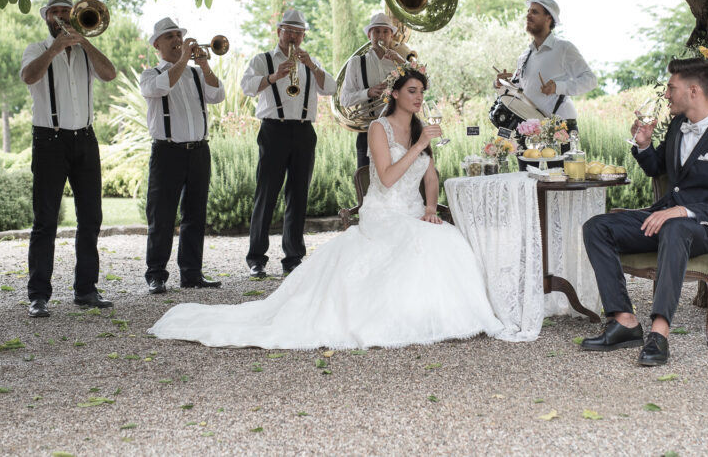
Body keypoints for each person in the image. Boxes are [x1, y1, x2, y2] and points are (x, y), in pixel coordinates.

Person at [148, 67, 503, 349]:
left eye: (422, 92)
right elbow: (389, 177)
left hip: (412, 211)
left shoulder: (420, 129)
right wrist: (421, 144)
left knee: (448, 239)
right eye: (412, 90)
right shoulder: (379, 128)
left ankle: (449, 318)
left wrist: (429, 207)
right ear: (395, 93)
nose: (419, 97)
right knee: (416, 247)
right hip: (383, 213)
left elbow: (430, 174)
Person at [580, 58, 708, 366]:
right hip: (663, 218)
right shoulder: (677, 126)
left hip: (701, 230)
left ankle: (659, 335)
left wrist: (682, 212)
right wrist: (644, 145)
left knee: (674, 227)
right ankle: (624, 322)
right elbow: (657, 168)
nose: (666, 95)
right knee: (597, 227)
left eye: (671, 88)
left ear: (693, 90)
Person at [20, 0, 117, 318]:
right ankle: (38, 296)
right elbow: (29, 77)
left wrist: (85, 42)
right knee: (45, 220)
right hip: (50, 141)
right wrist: (55, 48)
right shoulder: (36, 49)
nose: (61, 17)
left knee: (90, 218)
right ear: (46, 17)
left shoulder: (85, 51)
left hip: (85, 141)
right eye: (55, 12)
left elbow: (110, 73)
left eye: (66, 11)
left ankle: (86, 290)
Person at [239, 10, 336, 278]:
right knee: (266, 194)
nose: (294, 36)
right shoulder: (263, 60)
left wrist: (313, 66)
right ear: (279, 31)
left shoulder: (310, 61)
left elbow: (331, 88)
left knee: (298, 195)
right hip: (274, 130)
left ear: (304, 35)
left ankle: (293, 257)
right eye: (289, 30)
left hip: (304, 132)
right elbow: (246, 86)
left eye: (299, 32)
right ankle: (256, 258)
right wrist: (273, 77)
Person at [139, 18, 226, 295]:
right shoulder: (150, 75)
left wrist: (203, 64)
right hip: (167, 152)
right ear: (157, 45)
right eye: (170, 36)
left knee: (195, 214)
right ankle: (156, 275)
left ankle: (191, 273)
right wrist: (184, 59)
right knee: (162, 215)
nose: (177, 39)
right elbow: (162, 87)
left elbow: (218, 94)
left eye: (178, 34)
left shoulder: (196, 74)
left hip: (199, 150)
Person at [494, 0, 596, 165]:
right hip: (529, 131)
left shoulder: (564, 48)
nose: (528, 15)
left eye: (534, 12)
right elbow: (520, 89)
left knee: (561, 183)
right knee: (528, 183)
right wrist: (501, 84)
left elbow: (590, 80)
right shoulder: (525, 56)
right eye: (528, 12)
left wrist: (558, 86)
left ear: (549, 18)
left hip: (559, 129)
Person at [339, 12, 405, 168]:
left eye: (385, 31)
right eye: (377, 31)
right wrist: (367, 93)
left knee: (399, 185)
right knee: (367, 184)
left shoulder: (399, 61)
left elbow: (424, 85)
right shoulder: (356, 62)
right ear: (370, 35)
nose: (381, 36)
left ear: (391, 36)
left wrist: (401, 61)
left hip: (398, 131)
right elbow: (344, 99)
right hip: (368, 131)